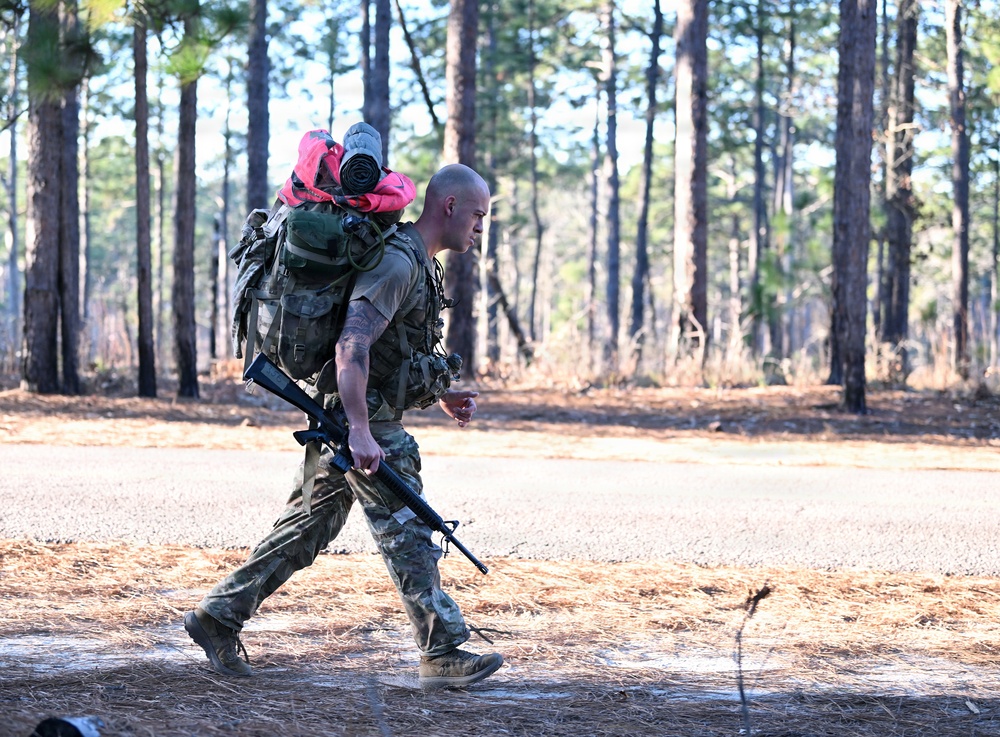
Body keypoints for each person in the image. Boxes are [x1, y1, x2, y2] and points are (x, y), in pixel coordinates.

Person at [184, 163, 503, 689]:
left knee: (306, 530)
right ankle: (442, 652)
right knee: (409, 533)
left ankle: (219, 616)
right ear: (449, 206)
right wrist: (359, 430)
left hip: (355, 416)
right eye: (477, 215)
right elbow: (351, 345)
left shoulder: (419, 262)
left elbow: (395, 352)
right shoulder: (398, 262)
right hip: (365, 423)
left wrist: (439, 393)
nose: (480, 227)